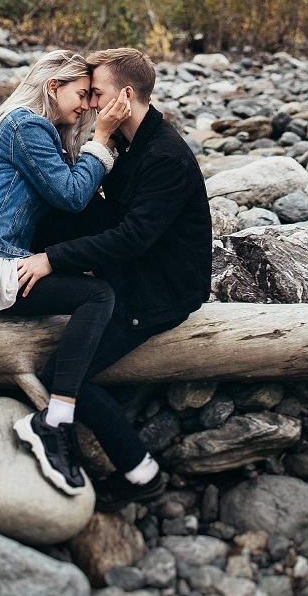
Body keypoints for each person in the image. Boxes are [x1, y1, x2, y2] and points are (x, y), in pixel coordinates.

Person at [17, 46, 213, 512]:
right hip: (133, 265)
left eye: (96, 94)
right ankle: (3, 272)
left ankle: (141, 473)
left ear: (125, 96)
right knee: (63, 204)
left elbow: (133, 238)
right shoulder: (130, 140)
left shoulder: (166, 156)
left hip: (158, 290)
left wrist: (53, 259)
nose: (88, 103)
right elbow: (101, 209)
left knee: (61, 375)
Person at [0, 50, 132, 496]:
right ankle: (54, 420)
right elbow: (71, 195)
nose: (87, 105)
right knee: (97, 297)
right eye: (81, 95)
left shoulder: (37, 128)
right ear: (52, 87)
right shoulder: (27, 126)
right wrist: (101, 137)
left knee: (90, 287)